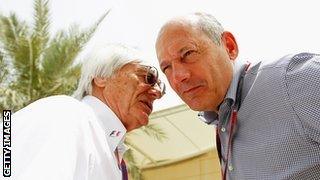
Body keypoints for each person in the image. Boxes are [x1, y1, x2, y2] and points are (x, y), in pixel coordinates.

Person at [155, 12, 320, 180]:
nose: (178, 76)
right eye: (166, 68)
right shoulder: (220, 119)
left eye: (188, 53)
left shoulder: (293, 79)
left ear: (229, 46)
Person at [9, 44, 165, 180]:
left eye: (161, 86)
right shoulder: (66, 115)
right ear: (101, 77)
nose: (157, 93)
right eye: (148, 77)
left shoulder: (108, 149)